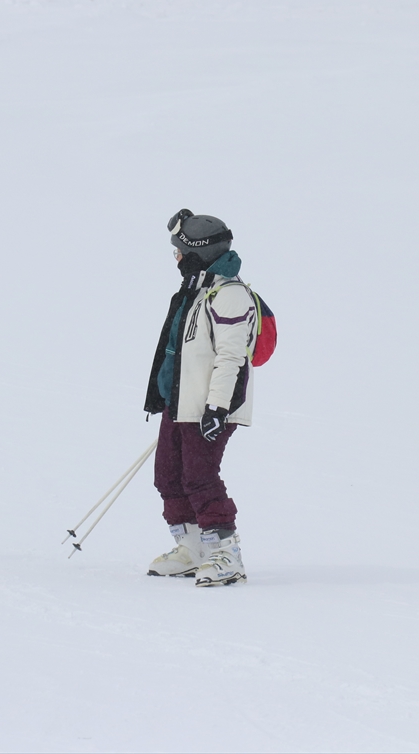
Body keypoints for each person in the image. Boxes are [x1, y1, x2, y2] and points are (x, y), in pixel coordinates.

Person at [144, 209, 257, 587]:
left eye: (179, 250)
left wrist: (217, 408)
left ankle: (227, 554)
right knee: (168, 476)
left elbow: (231, 357)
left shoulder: (230, 296)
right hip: (180, 404)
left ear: (198, 252)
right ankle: (193, 549)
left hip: (210, 406)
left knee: (200, 477)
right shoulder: (196, 290)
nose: (175, 258)